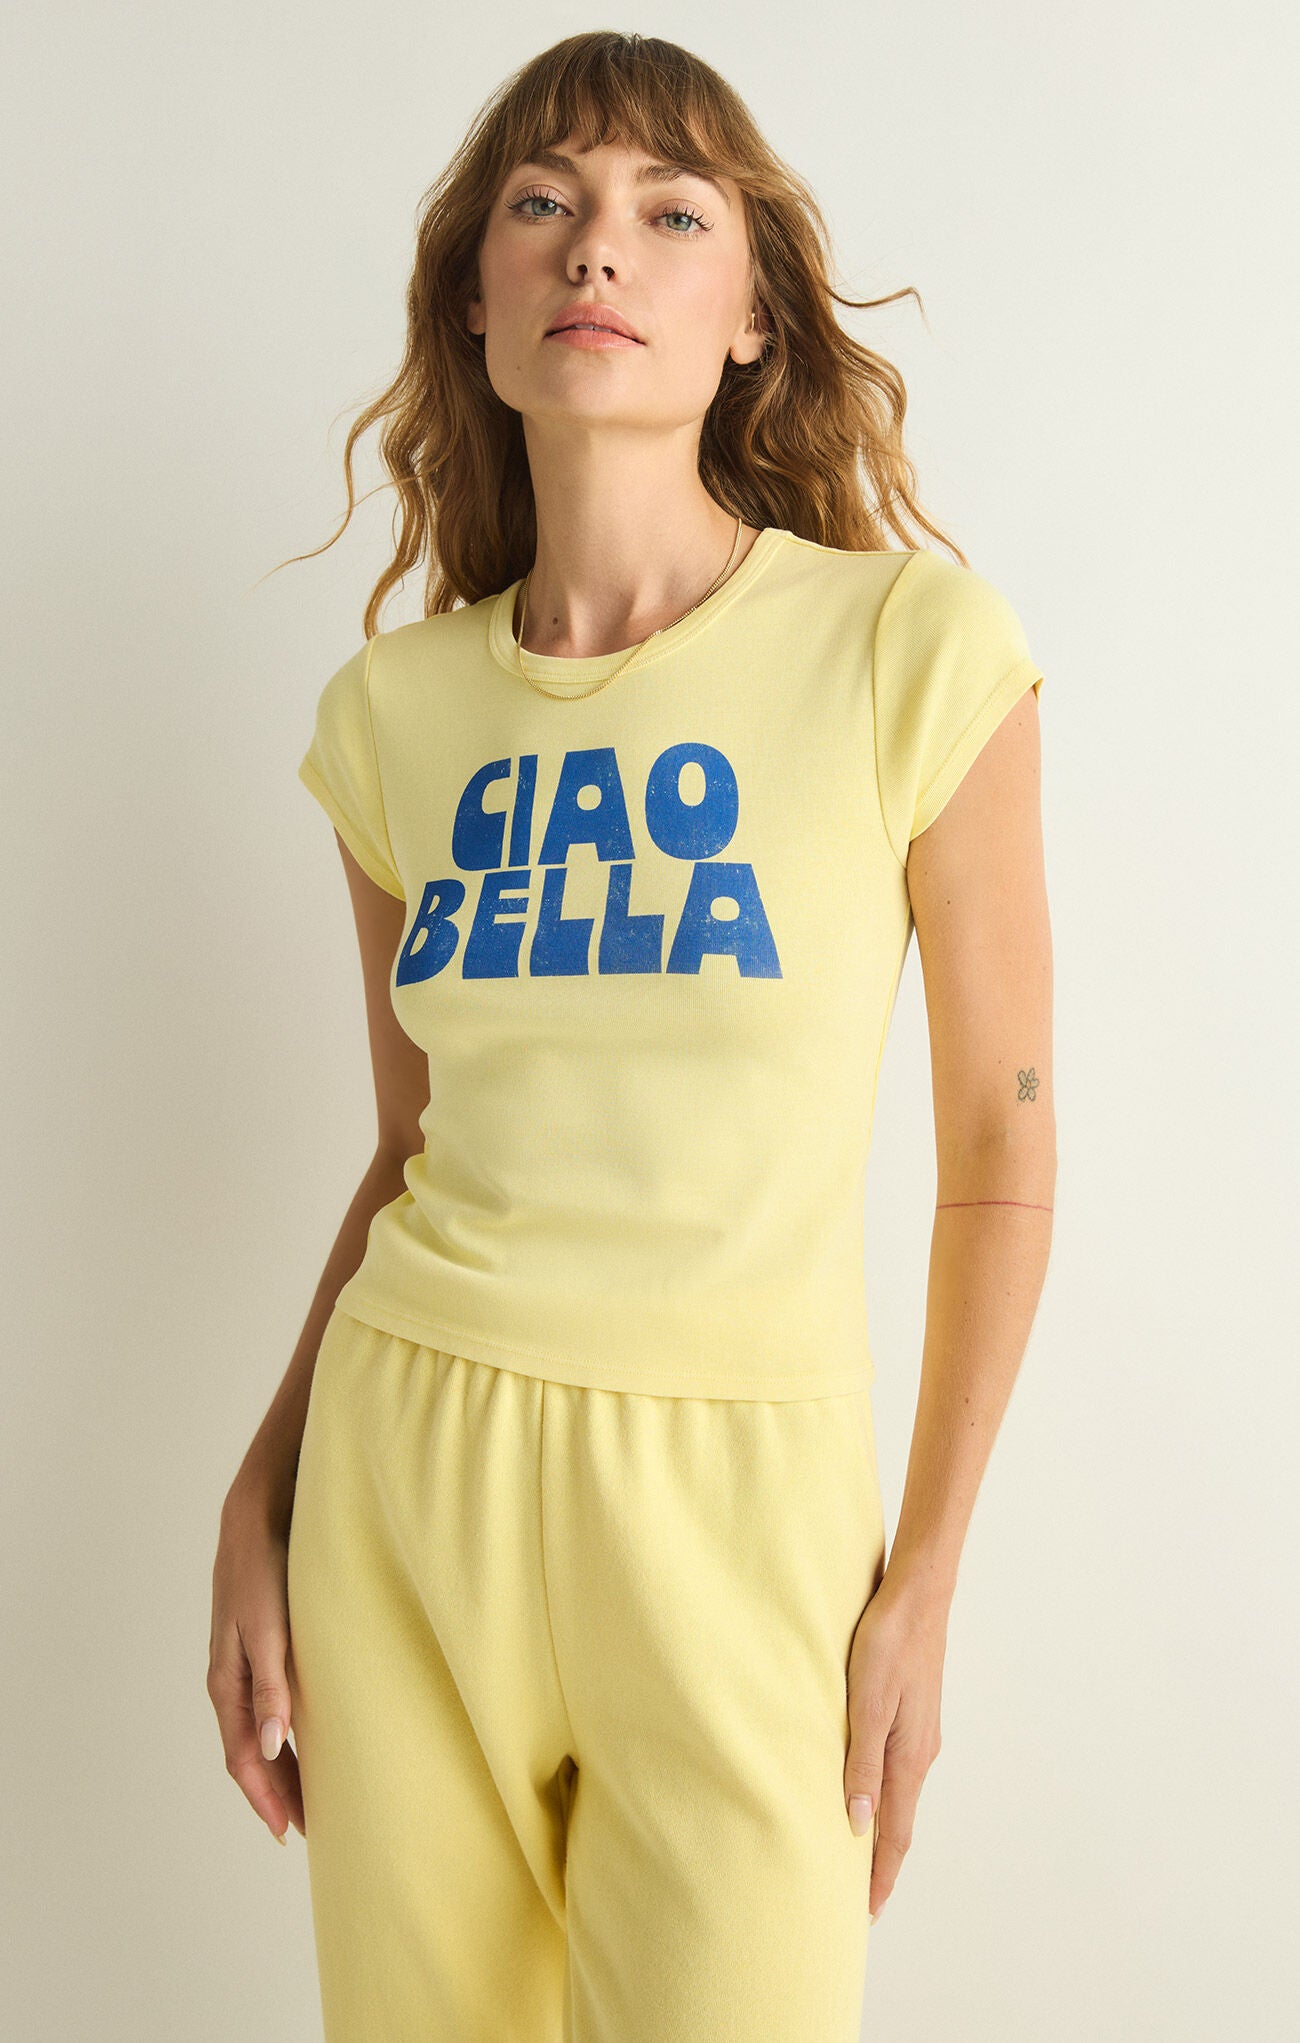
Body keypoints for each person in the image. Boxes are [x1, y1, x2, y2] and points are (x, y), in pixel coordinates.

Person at [207, 29, 1055, 2043]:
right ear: (476, 302)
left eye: (670, 212)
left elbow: (999, 1150)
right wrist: (260, 1489)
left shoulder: (905, 651)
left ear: (751, 313)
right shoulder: (392, 718)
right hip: (403, 1489)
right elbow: (410, 1150)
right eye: (544, 204)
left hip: (744, 1517)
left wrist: (925, 1579)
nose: (598, 245)